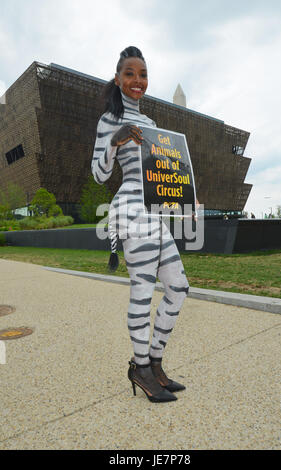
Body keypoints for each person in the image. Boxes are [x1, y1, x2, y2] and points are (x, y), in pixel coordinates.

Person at [91, 46, 193, 403]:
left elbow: (164, 175)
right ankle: (141, 366)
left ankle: (154, 363)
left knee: (178, 286)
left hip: (154, 210)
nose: (137, 81)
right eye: (130, 73)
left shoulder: (151, 125)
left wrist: (186, 200)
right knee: (143, 288)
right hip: (130, 209)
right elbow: (99, 173)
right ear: (118, 78)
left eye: (143, 74)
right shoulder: (108, 120)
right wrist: (115, 141)